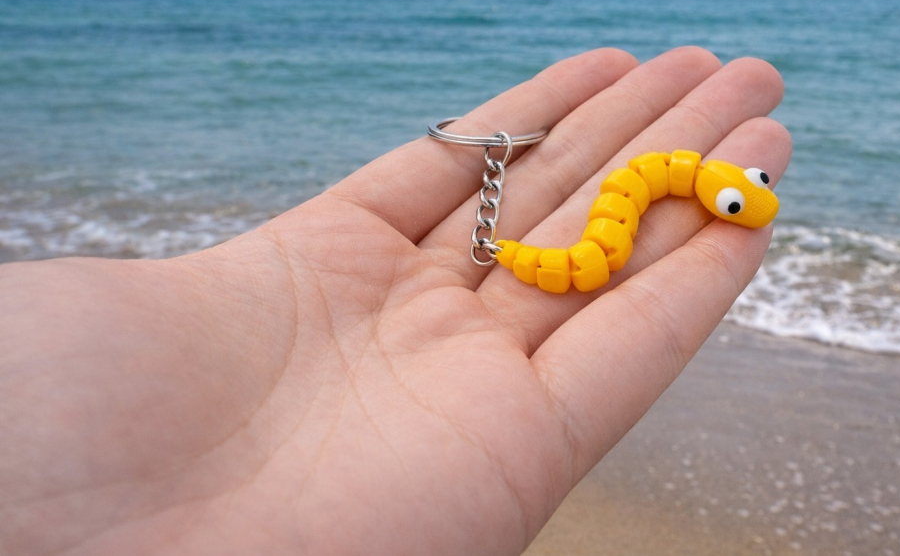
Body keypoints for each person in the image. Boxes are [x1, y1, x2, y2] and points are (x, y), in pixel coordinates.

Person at [0, 47, 790, 555]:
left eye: (745, 189)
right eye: (744, 189)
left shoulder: (671, 179)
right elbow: (589, 256)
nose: (750, 191)